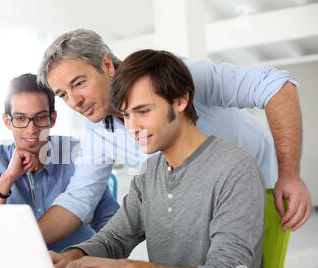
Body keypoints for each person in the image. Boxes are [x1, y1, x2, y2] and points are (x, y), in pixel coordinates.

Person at [37, 29, 311, 235]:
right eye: (63, 95)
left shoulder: (175, 76)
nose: (74, 101)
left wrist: (290, 176)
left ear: (107, 66)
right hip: (197, 202)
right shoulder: (96, 128)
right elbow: (79, 197)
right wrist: (29, 243)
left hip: (259, 182)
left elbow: (276, 85)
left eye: (79, 83)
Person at [50, 49, 268, 268]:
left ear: (180, 101)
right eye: (127, 114)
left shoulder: (235, 168)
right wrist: (68, 259)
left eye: (143, 112)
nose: (132, 128)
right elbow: (114, 239)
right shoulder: (150, 172)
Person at [0, 73, 119, 252]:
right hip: (17, 265)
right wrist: (8, 178)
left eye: (40, 117)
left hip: (76, 264)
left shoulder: (76, 153)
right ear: (7, 121)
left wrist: (102, 258)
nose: (31, 129)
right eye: (20, 119)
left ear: (53, 118)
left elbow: (108, 219)